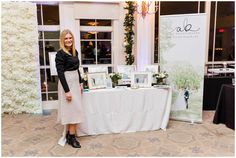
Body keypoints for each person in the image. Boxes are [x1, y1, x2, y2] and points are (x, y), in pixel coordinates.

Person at [55, 29, 84, 148]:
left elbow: (77, 68)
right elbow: (60, 73)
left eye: (70, 38)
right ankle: (71, 137)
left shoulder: (74, 51)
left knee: (76, 109)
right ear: (62, 40)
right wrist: (67, 91)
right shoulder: (60, 54)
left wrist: (81, 82)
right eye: (66, 38)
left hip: (75, 82)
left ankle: (70, 134)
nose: (68, 40)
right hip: (67, 83)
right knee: (71, 110)